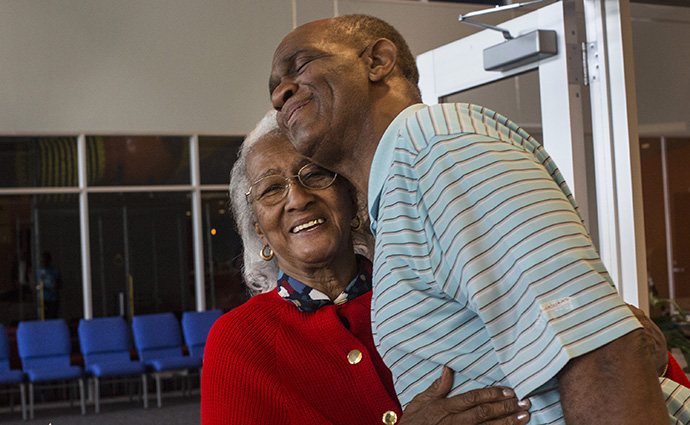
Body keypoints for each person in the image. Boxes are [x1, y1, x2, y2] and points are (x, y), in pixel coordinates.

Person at [268, 14, 690, 424]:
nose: (279, 93)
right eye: (273, 88)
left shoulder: (435, 149)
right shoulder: (404, 184)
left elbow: (597, 350)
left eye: (299, 66)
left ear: (377, 61)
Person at [200, 111, 533, 424]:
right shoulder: (239, 341)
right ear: (258, 228)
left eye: (315, 174)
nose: (298, 199)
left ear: (350, 195)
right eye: (272, 189)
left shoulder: (428, 288)